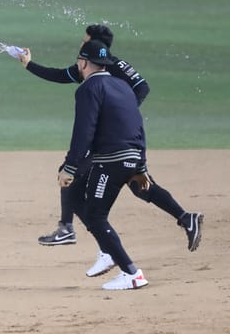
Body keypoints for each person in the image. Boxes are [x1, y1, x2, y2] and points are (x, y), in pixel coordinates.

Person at [15, 24, 203, 275]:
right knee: (137, 184)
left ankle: (73, 231)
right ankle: (184, 218)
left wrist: (119, 113)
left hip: (113, 138)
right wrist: (29, 64)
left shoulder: (110, 67)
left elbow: (142, 87)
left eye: (84, 40)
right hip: (127, 139)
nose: (80, 44)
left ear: (94, 46)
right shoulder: (91, 67)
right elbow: (60, 75)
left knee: (74, 177)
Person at [59, 39, 151, 289]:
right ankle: (109, 251)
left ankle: (131, 273)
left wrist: (70, 166)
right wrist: (141, 166)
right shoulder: (122, 86)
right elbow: (136, 125)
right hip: (131, 155)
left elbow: (83, 132)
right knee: (78, 196)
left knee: (95, 215)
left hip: (110, 161)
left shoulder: (88, 89)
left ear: (83, 63)